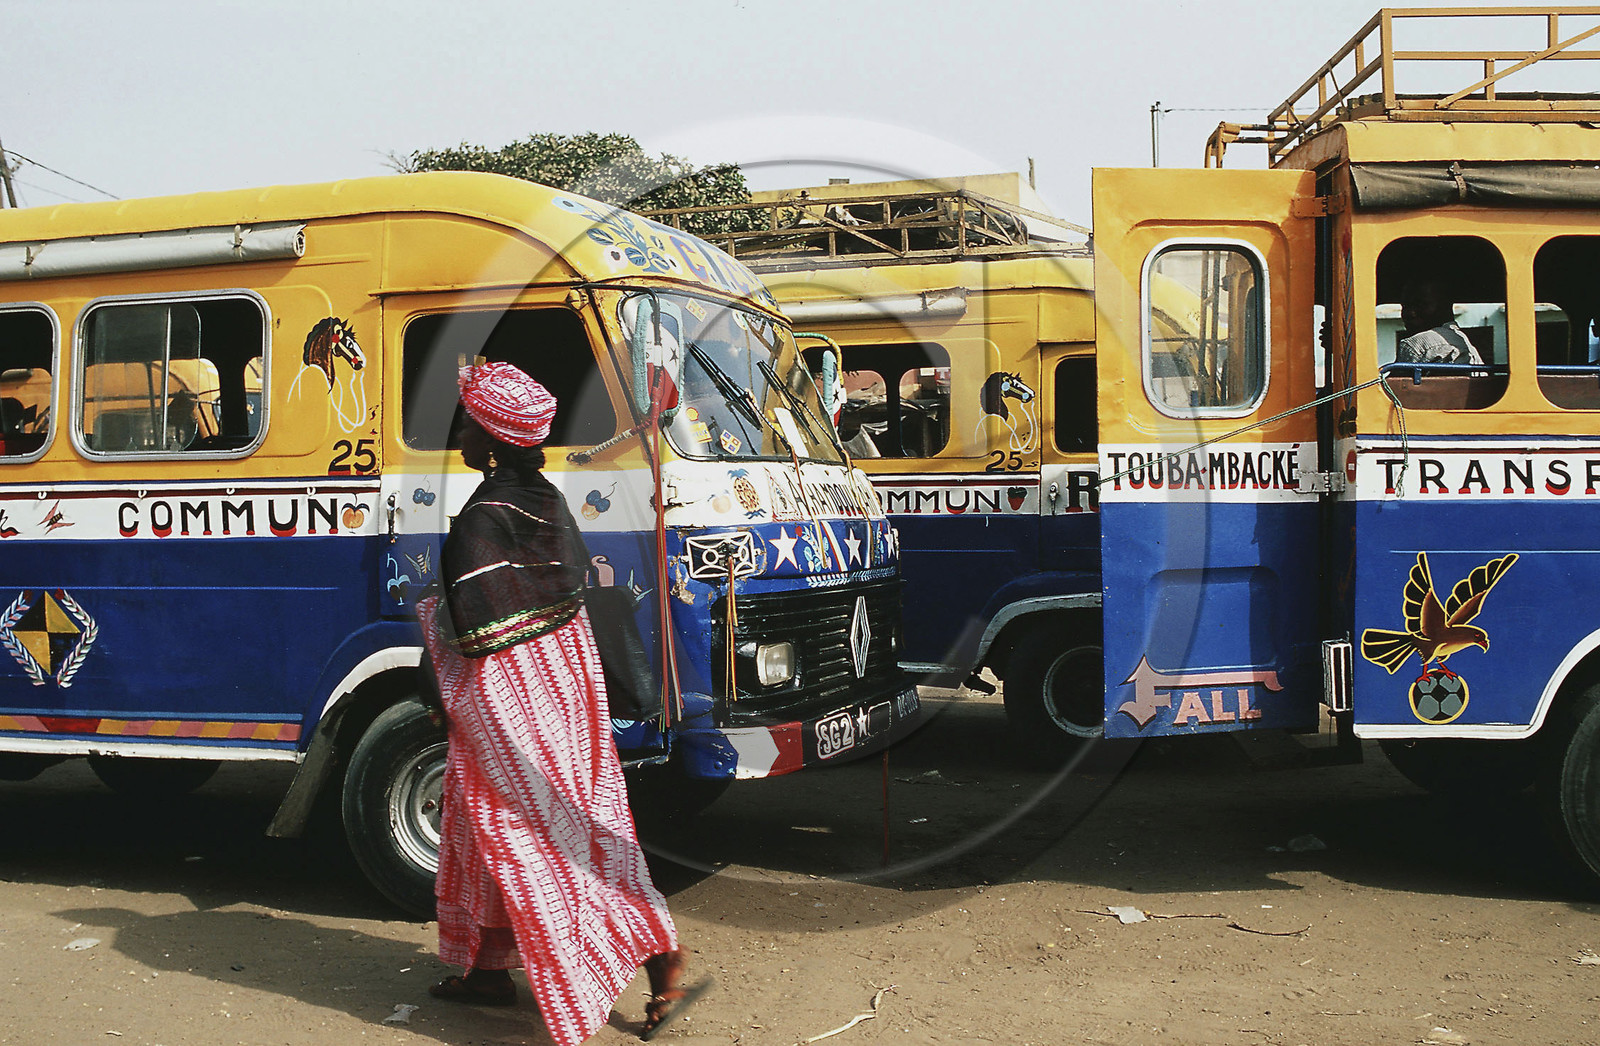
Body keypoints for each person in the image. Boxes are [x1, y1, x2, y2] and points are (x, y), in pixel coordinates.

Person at [416, 361, 706, 1044]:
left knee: (531, 836)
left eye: (468, 423)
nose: (460, 433)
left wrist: (440, 687)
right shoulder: (543, 500)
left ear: (492, 439)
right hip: (567, 688)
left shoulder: (485, 518)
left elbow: (474, 632)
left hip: (510, 695)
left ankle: (659, 959)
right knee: (493, 826)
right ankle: (488, 969)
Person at [1396, 279, 1484, 365]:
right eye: (1405, 306)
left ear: (1445, 307)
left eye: (1421, 305)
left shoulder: (1415, 345)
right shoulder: (1466, 344)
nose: (1410, 313)